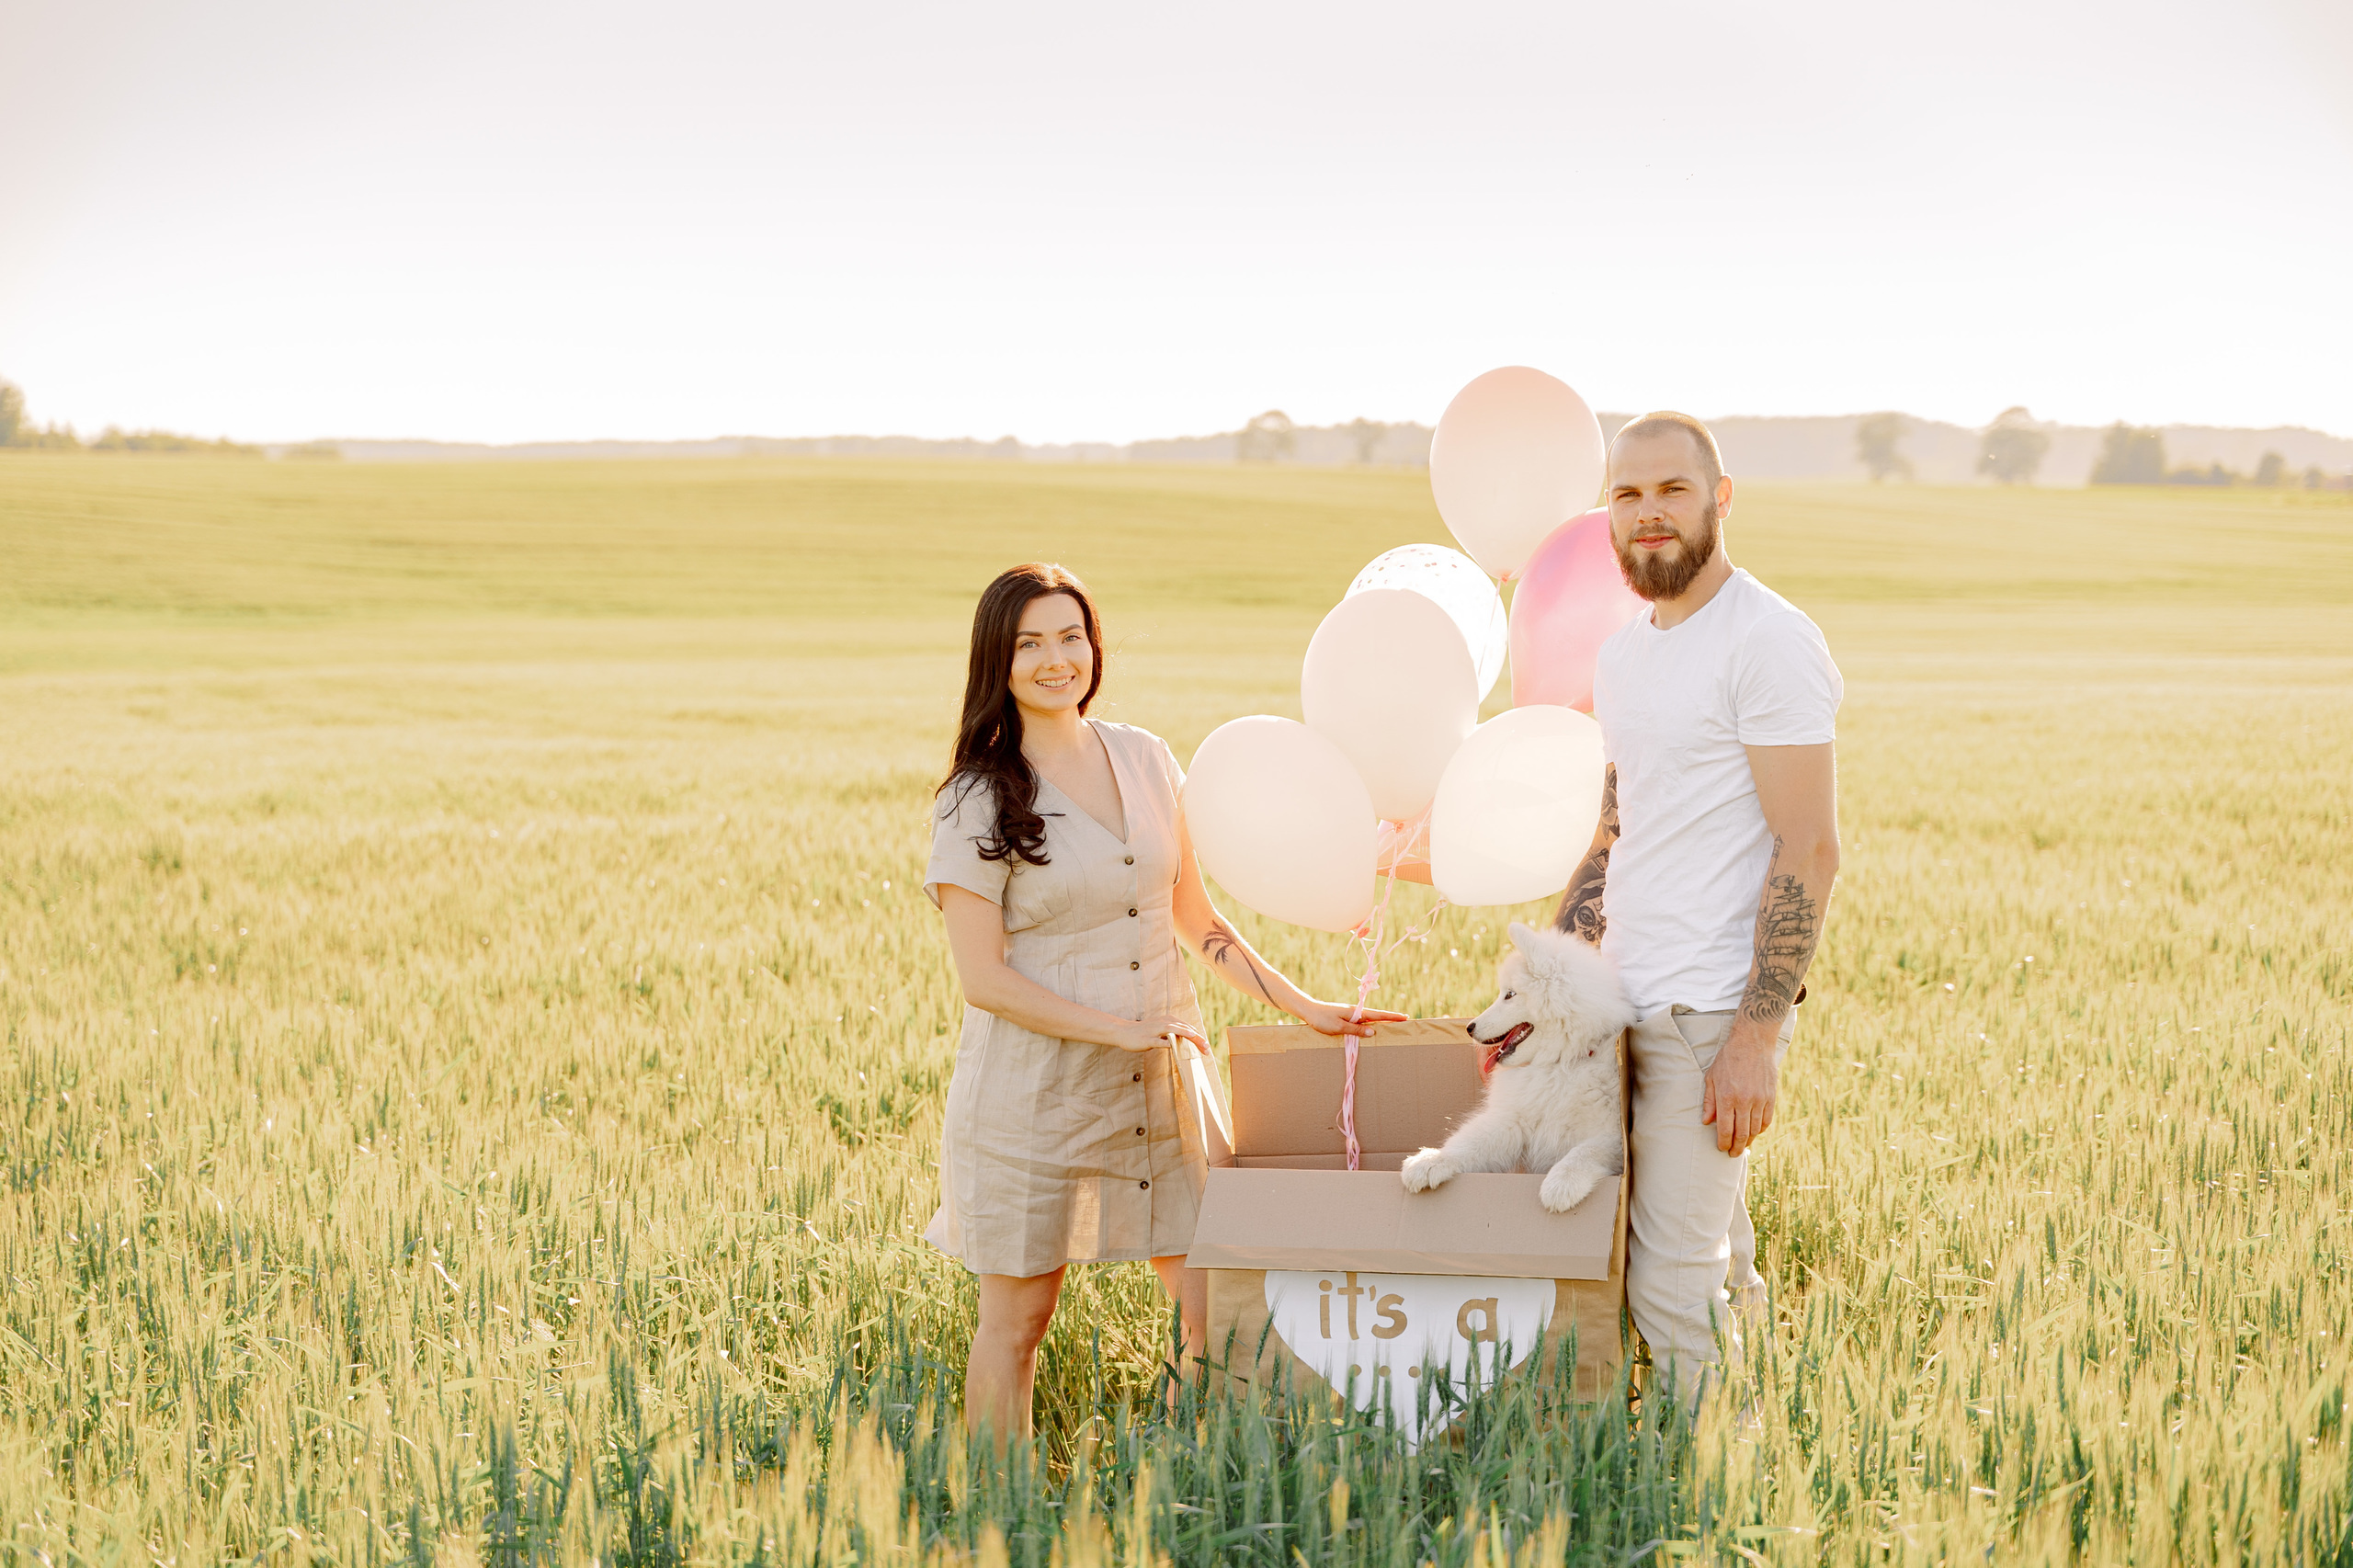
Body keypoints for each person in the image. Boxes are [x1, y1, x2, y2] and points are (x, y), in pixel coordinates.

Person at [925, 562, 1404, 1440]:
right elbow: (982, 979)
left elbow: (1196, 919)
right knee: (1020, 1323)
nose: (1054, 659)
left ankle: (1184, 1477)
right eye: (1030, 643)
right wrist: (1121, 1031)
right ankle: (1004, 1511)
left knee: (1214, 1307)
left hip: (1160, 1089)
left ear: (1093, 647)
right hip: (1035, 1098)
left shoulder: (1144, 758)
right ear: (998, 660)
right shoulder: (976, 796)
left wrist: (1308, 1007)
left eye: (1070, 637)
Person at [1551, 412, 1843, 1403]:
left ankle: (1704, 1506)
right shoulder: (1624, 654)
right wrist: (1552, 985)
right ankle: (1758, 1453)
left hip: (1705, 1015)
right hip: (1618, 1010)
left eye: (1671, 489)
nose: (1648, 513)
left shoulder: (1766, 639)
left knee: (1668, 1289)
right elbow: (1614, 829)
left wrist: (1755, 1036)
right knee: (1718, 1263)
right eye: (1626, 495)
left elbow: (1809, 847)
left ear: (1719, 497)